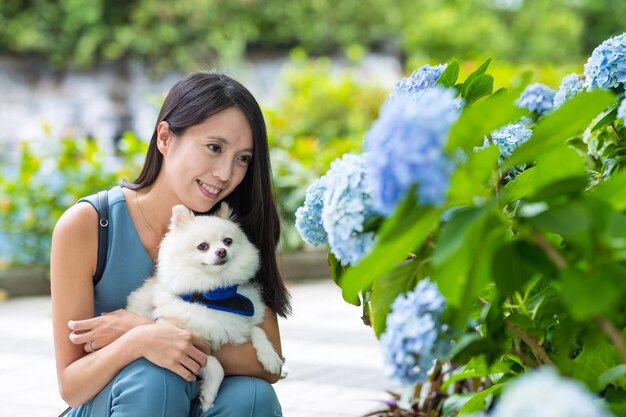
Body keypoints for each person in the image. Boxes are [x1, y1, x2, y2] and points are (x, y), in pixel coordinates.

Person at [50, 71, 291, 417]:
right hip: (111, 404)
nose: (226, 173)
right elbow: (72, 386)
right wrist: (139, 342)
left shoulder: (230, 233)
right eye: (214, 148)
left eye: (243, 158)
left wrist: (150, 331)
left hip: (192, 400)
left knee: (252, 397)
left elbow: (267, 364)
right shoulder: (89, 225)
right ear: (165, 137)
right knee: (155, 379)